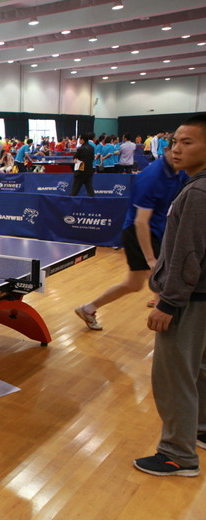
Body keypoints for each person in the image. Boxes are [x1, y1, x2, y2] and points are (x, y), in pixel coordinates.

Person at [134, 113, 206, 477]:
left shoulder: (196, 193)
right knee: (199, 371)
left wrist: (169, 303)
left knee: (173, 377)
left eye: (187, 142)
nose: (176, 149)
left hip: (189, 302)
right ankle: (200, 430)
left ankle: (178, 455)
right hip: (201, 298)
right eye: (175, 141)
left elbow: (188, 256)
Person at [74, 149, 187, 330]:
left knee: (134, 284)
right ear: (168, 149)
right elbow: (140, 222)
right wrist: (150, 258)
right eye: (179, 145)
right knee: (163, 282)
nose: (181, 152)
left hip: (158, 231)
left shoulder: (179, 171)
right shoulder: (151, 177)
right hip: (139, 233)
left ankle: (88, 309)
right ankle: (167, 332)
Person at [70, 133, 96, 197]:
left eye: (79, 139)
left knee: (74, 191)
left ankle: (70, 202)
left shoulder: (80, 149)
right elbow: (92, 158)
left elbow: (75, 158)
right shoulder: (92, 148)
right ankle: (92, 202)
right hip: (89, 171)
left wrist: (75, 160)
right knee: (90, 191)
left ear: (82, 140)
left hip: (80, 172)